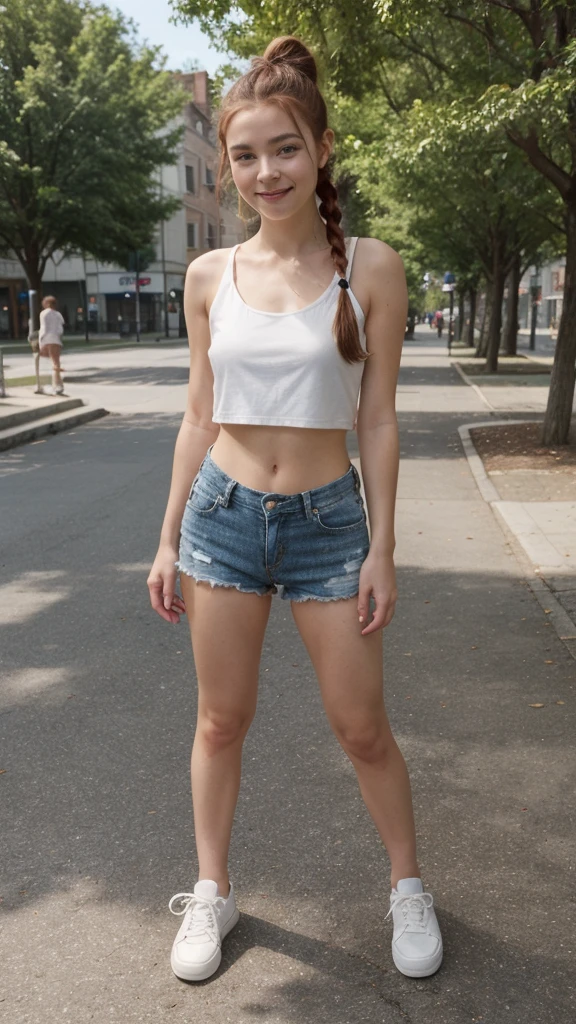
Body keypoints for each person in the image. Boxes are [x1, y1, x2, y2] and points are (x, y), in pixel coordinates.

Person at [147, 35, 443, 984]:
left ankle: (407, 886)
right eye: (243, 154)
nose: (263, 171)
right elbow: (199, 416)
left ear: (319, 148)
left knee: (362, 727)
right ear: (227, 164)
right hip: (222, 518)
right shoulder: (209, 276)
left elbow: (380, 419)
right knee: (218, 722)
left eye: (283, 148)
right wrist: (164, 540)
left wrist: (383, 548)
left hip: (327, 525)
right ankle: (212, 890)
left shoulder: (372, 267)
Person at [38, 296, 65, 393]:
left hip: (46, 339)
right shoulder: (58, 314)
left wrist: (40, 341)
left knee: (49, 362)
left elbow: (43, 328)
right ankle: (58, 384)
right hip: (56, 339)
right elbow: (60, 329)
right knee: (56, 362)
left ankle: (55, 384)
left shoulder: (43, 313)